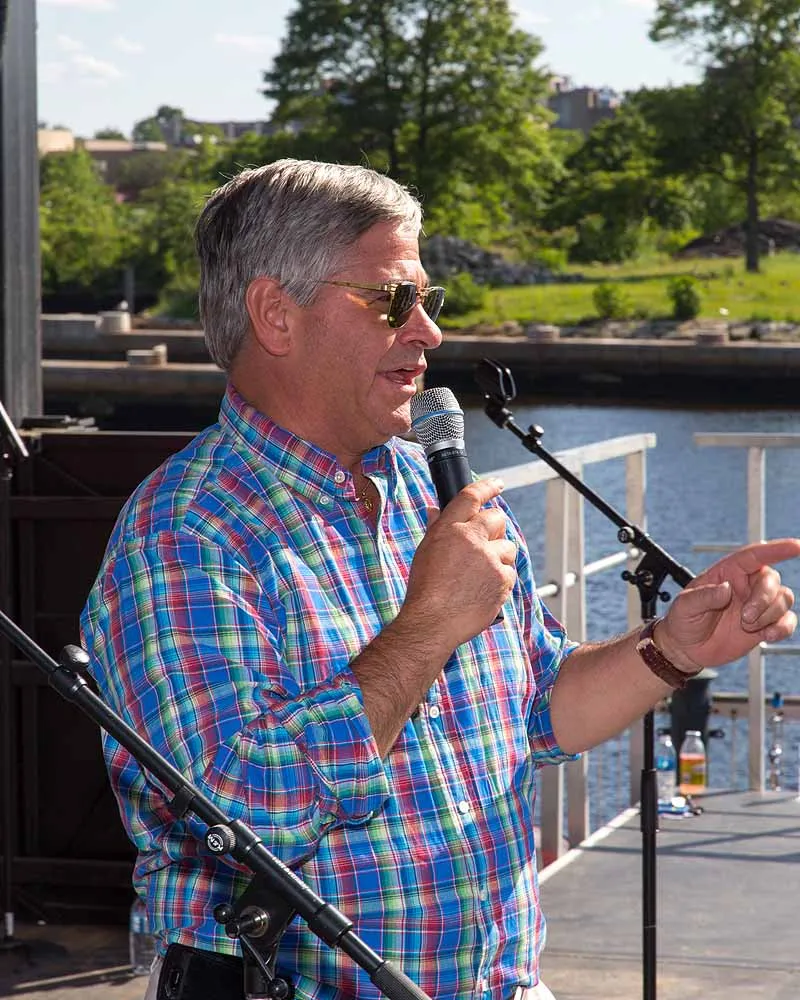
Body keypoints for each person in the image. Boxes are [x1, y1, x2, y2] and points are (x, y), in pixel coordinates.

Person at [80, 159, 799, 1000]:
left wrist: (673, 649)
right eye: (394, 300)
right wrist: (426, 628)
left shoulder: (434, 490)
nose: (429, 332)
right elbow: (243, 812)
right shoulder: (184, 533)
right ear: (276, 314)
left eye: (430, 300)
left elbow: (536, 710)